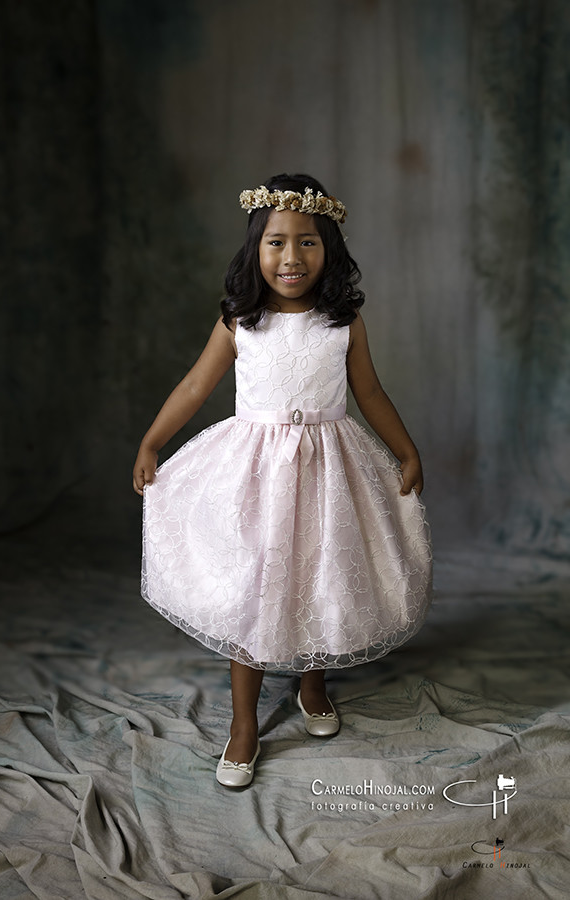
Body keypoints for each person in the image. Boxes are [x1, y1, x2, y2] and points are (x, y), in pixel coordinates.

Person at [132, 173, 432, 788]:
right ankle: (244, 725)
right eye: (276, 242)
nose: (291, 257)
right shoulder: (240, 321)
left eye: (308, 243)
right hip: (256, 478)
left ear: (331, 251)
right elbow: (195, 386)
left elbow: (368, 393)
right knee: (256, 590)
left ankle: (312, 685)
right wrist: (152, 440)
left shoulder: (343, 323)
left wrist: (405, 449)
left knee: (320, 576)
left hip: (328, 473)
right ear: (255, 248)